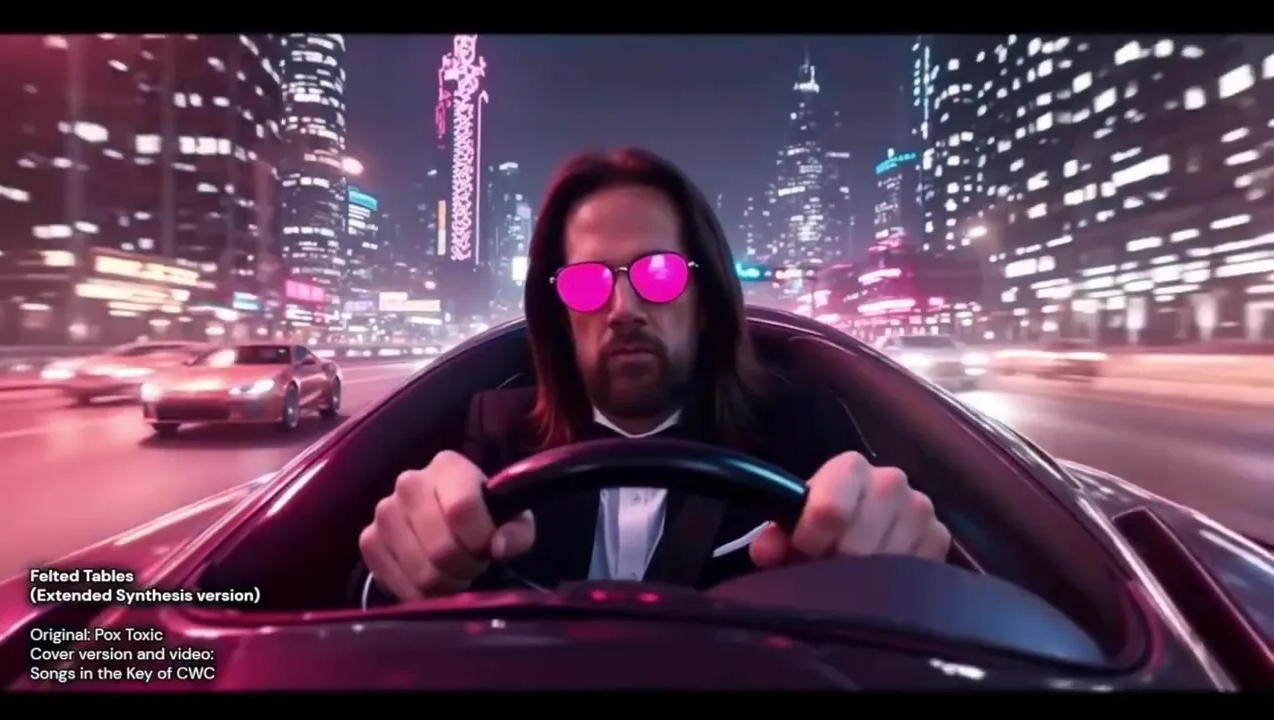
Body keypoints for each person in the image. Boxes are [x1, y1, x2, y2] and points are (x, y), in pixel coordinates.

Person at [357, 148, 950, 605]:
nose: (623, 310)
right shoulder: (497, 434)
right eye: (587, 283)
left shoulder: (802, 427)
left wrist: (901, 562)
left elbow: (901, 599)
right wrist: (404, 562)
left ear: (704, 296)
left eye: (659, 273)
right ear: (560, 316)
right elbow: (387, 596)